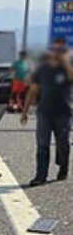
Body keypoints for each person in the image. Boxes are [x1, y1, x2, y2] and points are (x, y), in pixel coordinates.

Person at [20, 39, 73, 187]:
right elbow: (33, 90)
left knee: (63, 142)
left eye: (60, 51)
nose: (56, 53)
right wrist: (24, 111)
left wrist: (66, 62)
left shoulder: (67, 68)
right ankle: (40, 175)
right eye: (54, 50)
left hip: (63, 112)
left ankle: (63, 167)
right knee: (42, 144)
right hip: (44, 112)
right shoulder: (42, 69)